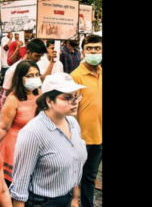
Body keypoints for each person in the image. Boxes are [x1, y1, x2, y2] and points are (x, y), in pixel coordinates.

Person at [9, 72, 88, 207]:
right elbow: (20, 184)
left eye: (76, 96)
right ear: (49, 101)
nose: (74, 101)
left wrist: (75, 198)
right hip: (43, 202)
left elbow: (75, 164)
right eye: (67, 97)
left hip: (66, 198)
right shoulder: (33, 133)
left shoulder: (73, 124)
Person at [0, 60, 41, 186]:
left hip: (34, 144)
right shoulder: (13, 99)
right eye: (30, 76)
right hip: (15, 146)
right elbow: (3, 128)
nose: (35, 78)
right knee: (14, 186)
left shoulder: (39, 95)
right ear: (20, 78)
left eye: (37, 75)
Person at [70, 34, 102, 207]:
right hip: (82, 138)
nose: (93, 51)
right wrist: (73, 137)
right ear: (83, 52)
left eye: (97, 48)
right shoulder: (76, 76)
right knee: (73, 177)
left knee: (90, 177)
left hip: (100, 136)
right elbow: (70, 109)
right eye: (89, 48)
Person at [0, 39, 47, 111]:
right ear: (28, 52)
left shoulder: (35, 66)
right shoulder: (13, 70)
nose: (39, 59)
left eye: (41, 56)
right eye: (37, 56)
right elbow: (5, 95)